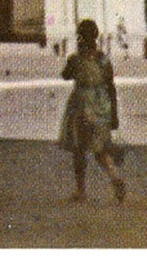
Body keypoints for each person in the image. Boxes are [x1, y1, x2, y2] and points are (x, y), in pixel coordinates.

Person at [58, 18, 126, 204]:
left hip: (81, 106)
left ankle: (81, 191)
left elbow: (65, 75)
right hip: (101, 105)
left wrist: (72, 62)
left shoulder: (76, 59)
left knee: (79, 149)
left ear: (79, 37)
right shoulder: (104, 60)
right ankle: (115, 176)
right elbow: (111, 86)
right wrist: (114, 114)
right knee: (100, 148)